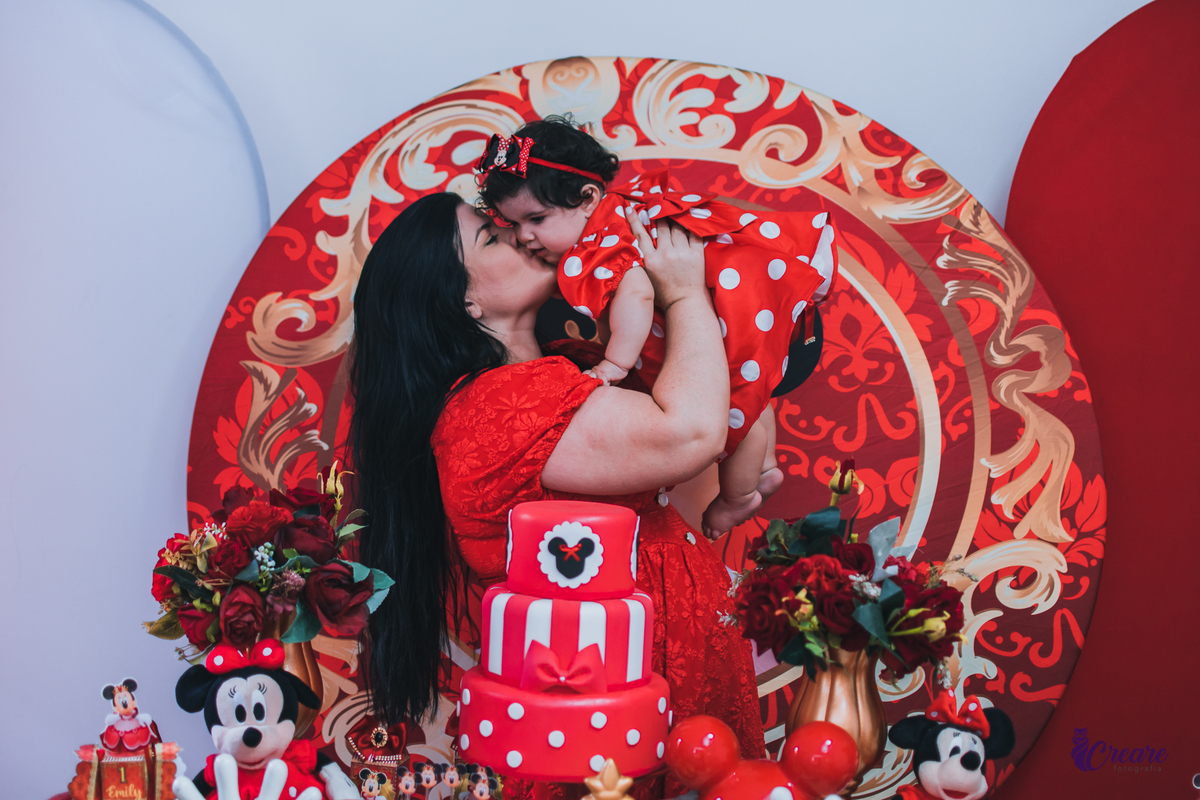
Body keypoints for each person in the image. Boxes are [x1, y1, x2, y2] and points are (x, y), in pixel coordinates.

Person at [350, 191, 764, 798]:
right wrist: (681, 291)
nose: (522, 235)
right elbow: (691, 433)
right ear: (464, 300)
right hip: (603, 719)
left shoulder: (568, 365)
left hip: (674, 687)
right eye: (492, 236)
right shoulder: (495, 407)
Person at [475, 117, 839, 538]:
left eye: (536, 219)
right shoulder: (619, 212)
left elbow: (637, 294)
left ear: (587, 197)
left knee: (735, 411)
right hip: (735, 306)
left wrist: (615, 364)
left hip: (718, 310)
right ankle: (767, 467)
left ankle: (737, 497)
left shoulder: (601, 242)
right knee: (752, 388)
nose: (524, 236)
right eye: (513, 224)